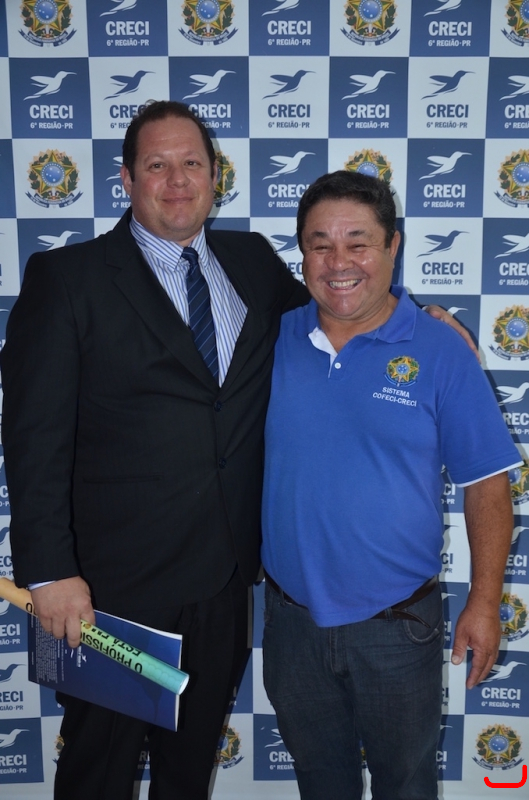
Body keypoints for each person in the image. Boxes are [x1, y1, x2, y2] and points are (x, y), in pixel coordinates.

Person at [1, 102, 470, 800]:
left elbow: (338, 304)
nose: (177, 180)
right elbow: (32, 436)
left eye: (192, 163)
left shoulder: (249, 261)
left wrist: (423, 321)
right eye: (157, 165)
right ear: (126, 179)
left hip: (222, 584)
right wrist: (49, 572)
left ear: (214, 175)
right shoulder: (67, 278)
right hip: (108, 590)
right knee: (98, 769)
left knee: (187, 772)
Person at [260, 171, 520, 800]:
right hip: (291, 625)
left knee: (407, 786)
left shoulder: (440, 348)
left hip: (398, 627)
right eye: (321, 244)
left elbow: (488, 486)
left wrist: (485, 603)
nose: (339, 262)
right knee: (320, 784)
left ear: (392, 247)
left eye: (358, 243)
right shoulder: (273, 339)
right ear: (302, 253)